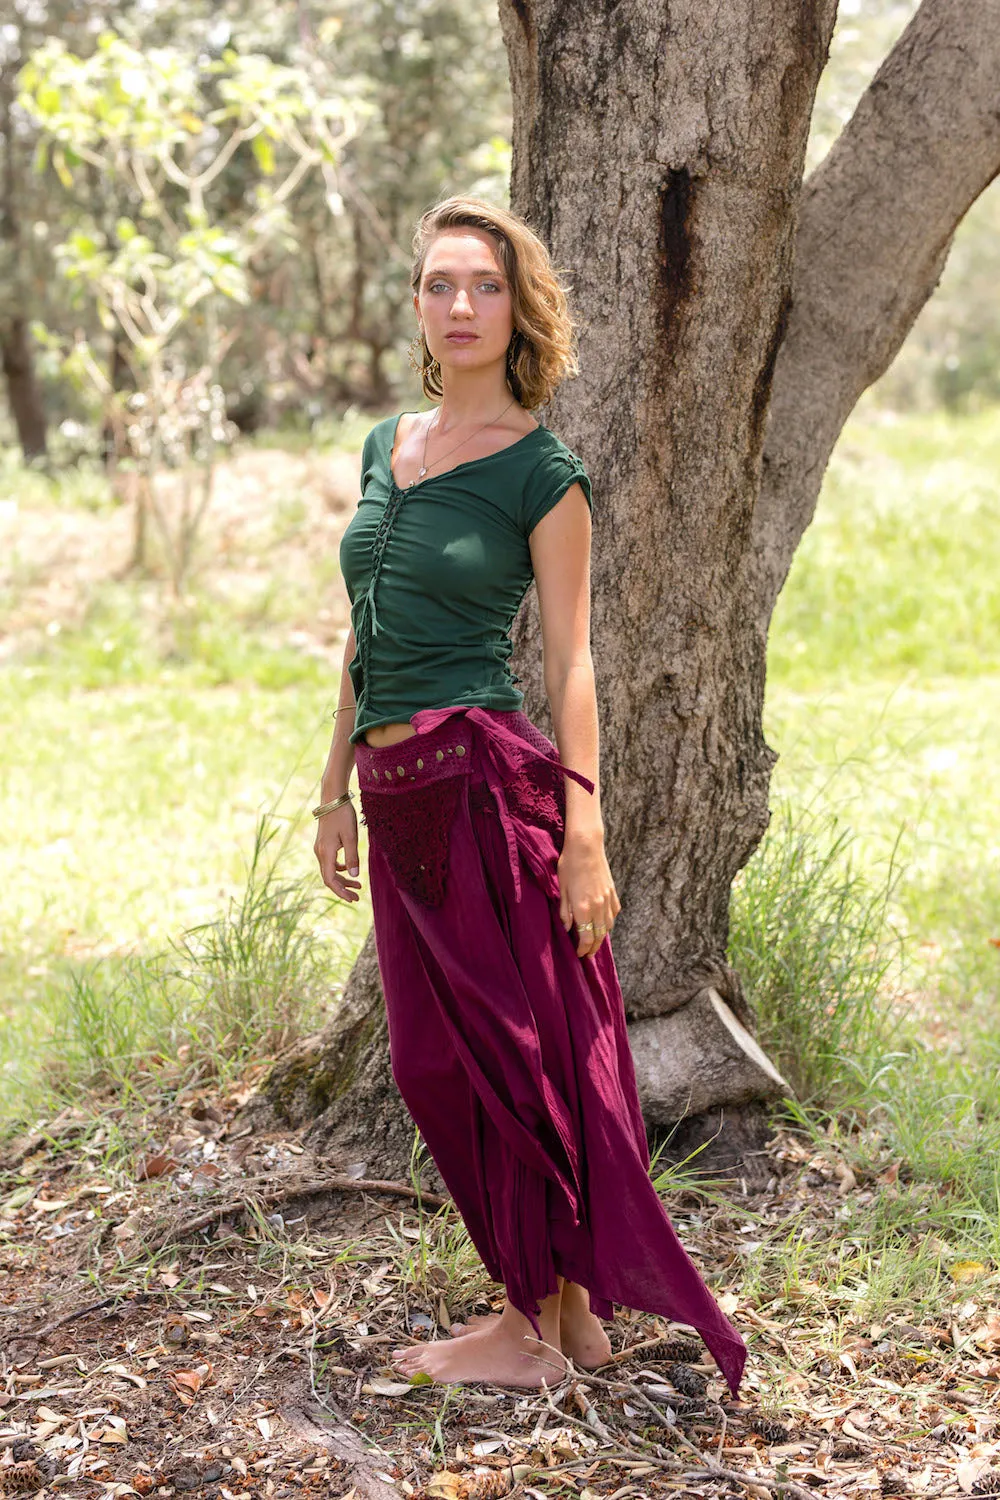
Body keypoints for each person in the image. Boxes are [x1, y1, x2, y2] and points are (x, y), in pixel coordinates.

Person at [313, 195, 747, 1396]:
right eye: (440, 284)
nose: (460, 306)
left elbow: (569, 658)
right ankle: (571, 1323)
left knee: (507, 1058)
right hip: (392, 791)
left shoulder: (542, 473)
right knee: (432, 1063)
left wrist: (587, 832)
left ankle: (529, 1324)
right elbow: (362, 633)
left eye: (485, 287)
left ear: (519, 311)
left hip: (480, 786)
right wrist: (328, 791)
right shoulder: (383, 448)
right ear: (416, 303)